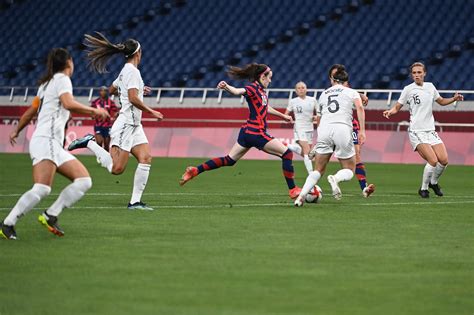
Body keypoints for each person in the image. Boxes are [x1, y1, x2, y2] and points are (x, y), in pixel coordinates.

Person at [1, 48, 109, 240]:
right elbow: (68, 103)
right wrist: (95, 112)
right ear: (68, 63)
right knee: (42, 188)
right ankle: (7, 224)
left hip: (50, 143)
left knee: (84, 181)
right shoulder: (61, 80)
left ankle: (51, 215)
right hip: (47, 140)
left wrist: (17, 129)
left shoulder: (46, 85)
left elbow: (32, 110)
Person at [68, 32, 163, 211]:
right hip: (126, 124)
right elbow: (133, 99)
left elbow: (112, 89)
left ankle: (135, 202)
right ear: (138, 53)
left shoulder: (125, 71)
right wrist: (151, 111)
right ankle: (90, 143)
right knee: (116, 169)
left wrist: (140, 89)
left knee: (145, 158)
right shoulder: (132, 72)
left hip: (135, 125)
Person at [179, 63, 301, 199]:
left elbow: (265, 108)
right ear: (262, 76)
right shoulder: (253, 88)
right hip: (257, 132)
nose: (270, 80)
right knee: (287, 154)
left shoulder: (261, 91)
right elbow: (238, 91)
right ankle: (293, 189)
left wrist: (283, 116)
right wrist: (226, 87)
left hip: (247, 132)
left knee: (229, 160)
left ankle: (195, 170)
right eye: (269, 77)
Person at [383, 62, 463, 198]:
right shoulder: (408, 89)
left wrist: (454, 99)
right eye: (414, 73)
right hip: (416, 131)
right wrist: (390, 111)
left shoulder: (430, 87)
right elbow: (397, 106)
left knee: (443, 160)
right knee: (432, 160)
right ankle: (423, 189)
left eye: (419, 72)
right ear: (411, 75)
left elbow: (441, 101)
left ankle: (433, 182)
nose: (417, 75)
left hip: (430, 131)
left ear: (424, 73)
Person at [294, 67, 365, 206]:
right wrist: (362, 130)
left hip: (325, 130)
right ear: (346, 81)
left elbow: (320, 117)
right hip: (343, 128)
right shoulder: (351, 91)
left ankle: (301, 196)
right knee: (350, 168)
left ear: (333, 80)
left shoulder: (324, 93)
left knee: (318, 170)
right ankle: (336, 178)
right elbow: (360, 108)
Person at [319, 64, 375, 198]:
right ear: (330, 78)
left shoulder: (335, 90)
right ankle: (316, 185)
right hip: (337, 127)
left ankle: (364, 187)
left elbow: (351, 92)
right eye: (334, 75)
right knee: (324, 160)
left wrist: (360, 94)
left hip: (346, 125)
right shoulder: (329, 92)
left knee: (357, 156)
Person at [284, 81, 318, 174]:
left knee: (308, 154)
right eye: (299, 88)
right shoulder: (293, 101)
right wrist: (287, 118)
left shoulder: (313, 100)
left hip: (309, 128)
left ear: (306, 89)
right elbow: (286, 114)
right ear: (296, 90)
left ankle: (292, 148)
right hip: (299, 128)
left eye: (303, 87)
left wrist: (316, 117)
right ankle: (311, 175)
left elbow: (319, 113)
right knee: (307, 151)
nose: (301, 89)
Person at [91, 85, 118, 151]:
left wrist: (114, 116)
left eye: (105, 91)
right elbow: (91, 113)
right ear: (99, 92)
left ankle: (106, 159)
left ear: (107, 92)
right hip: (98, 125)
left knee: (106, 145)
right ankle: (99, 157)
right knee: (99, 142)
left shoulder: (110, 102)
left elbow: (116, 112)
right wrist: (94, 116)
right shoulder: (95, 102)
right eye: (101, 91)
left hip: (108, 125)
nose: (103, 92)